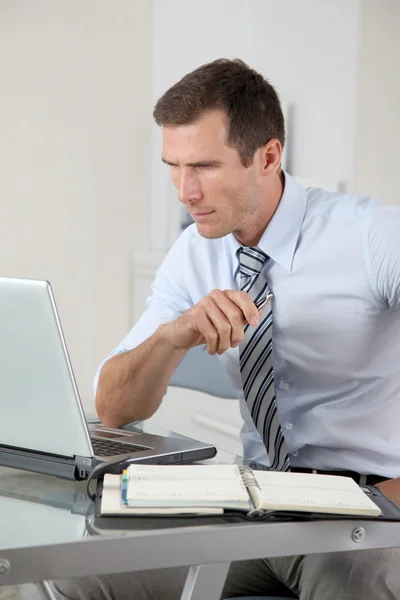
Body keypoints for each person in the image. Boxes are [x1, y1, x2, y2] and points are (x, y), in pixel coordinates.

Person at [54, 59, 400, 599]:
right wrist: (176, 333)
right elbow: (115, 407)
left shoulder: (371, 236)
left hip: (364, 508)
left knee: (353, 579)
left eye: (204, 166)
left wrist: (391, 499)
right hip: (252, 502)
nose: (184, 191)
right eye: (173, 165)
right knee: (78, 575)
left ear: (268, 156)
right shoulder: (193, 253)